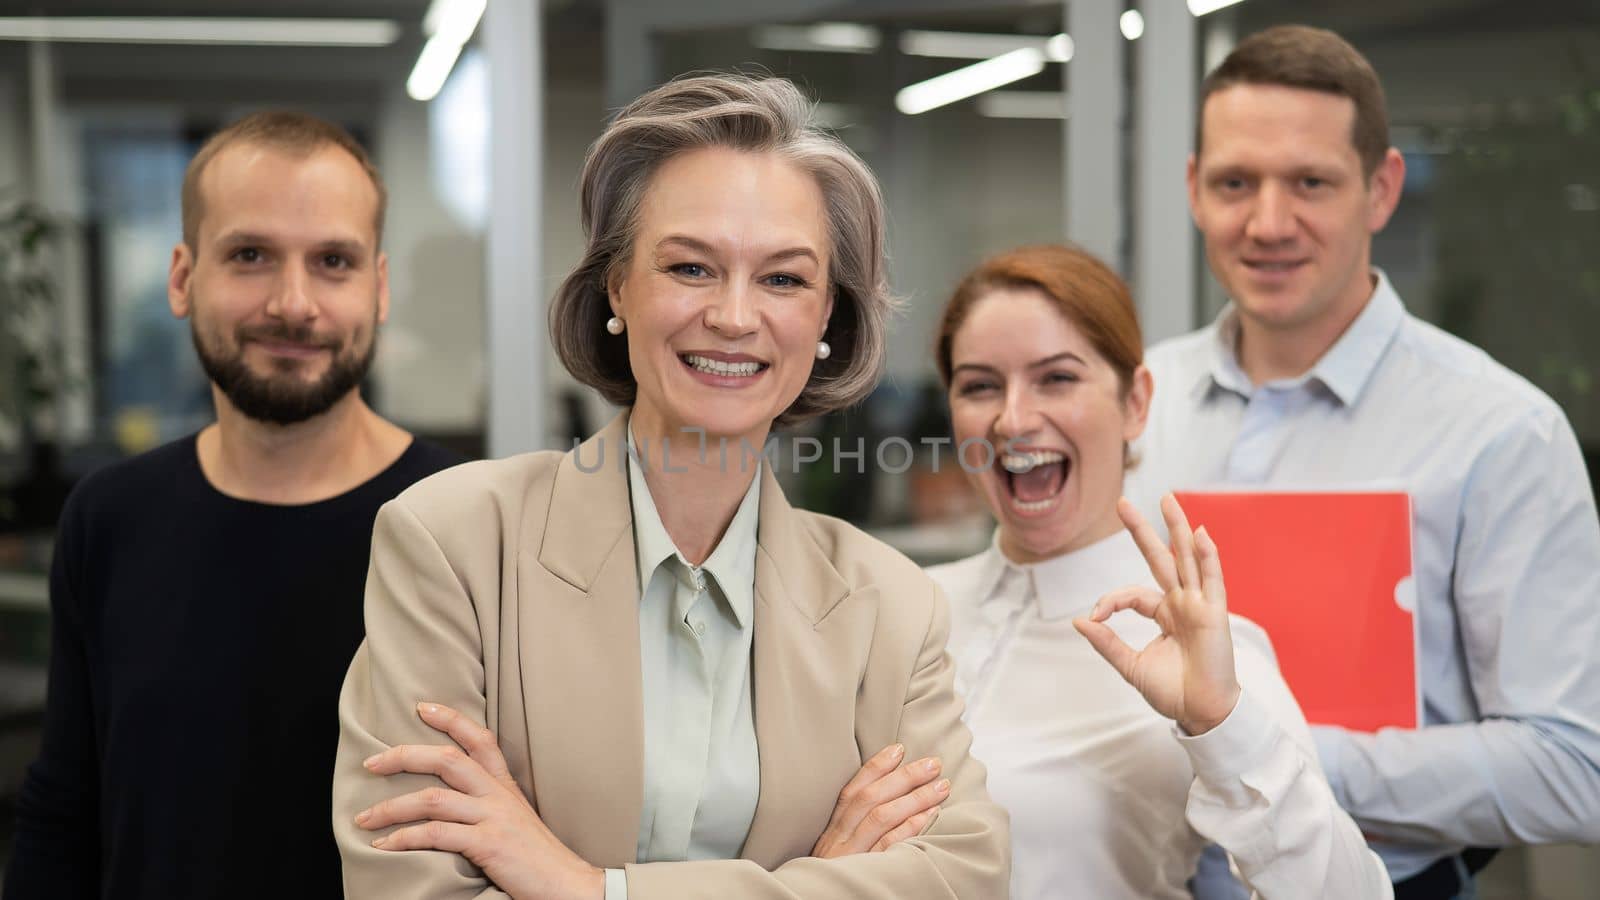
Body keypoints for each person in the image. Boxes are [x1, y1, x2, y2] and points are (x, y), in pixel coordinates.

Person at [329, 74, 1009, 899]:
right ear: (616, 286)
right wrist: (820, 882)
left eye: (784, 279)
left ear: (829, 317)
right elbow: (409, 890)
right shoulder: (456, 546)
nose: (732, 315)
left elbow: (964, 878)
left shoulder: (890, 610)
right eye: (691, 267)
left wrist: (587, 888)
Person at [1125, 24, 1600, 898]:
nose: (1268, 223)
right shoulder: (1135, 402)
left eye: (1311, 182)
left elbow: (1573, 767)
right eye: (1236, 183)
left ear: (1381, 190)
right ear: (1193, 190)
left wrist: (1259, 750)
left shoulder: (1501, 432)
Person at [4, 112, 460, 899]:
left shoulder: (461, 523)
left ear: (378, 288)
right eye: (250, 255)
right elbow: (64, 809)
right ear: (182, 278)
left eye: (333, 262)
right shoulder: (108, 517)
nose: (293, 303)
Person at [909, 243, 1387, 898]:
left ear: (1135, 403)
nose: (1013, 419)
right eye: (980, 386)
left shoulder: (1207, 651)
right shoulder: (908, 607)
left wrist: (1222, 723)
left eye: (1057, 378)